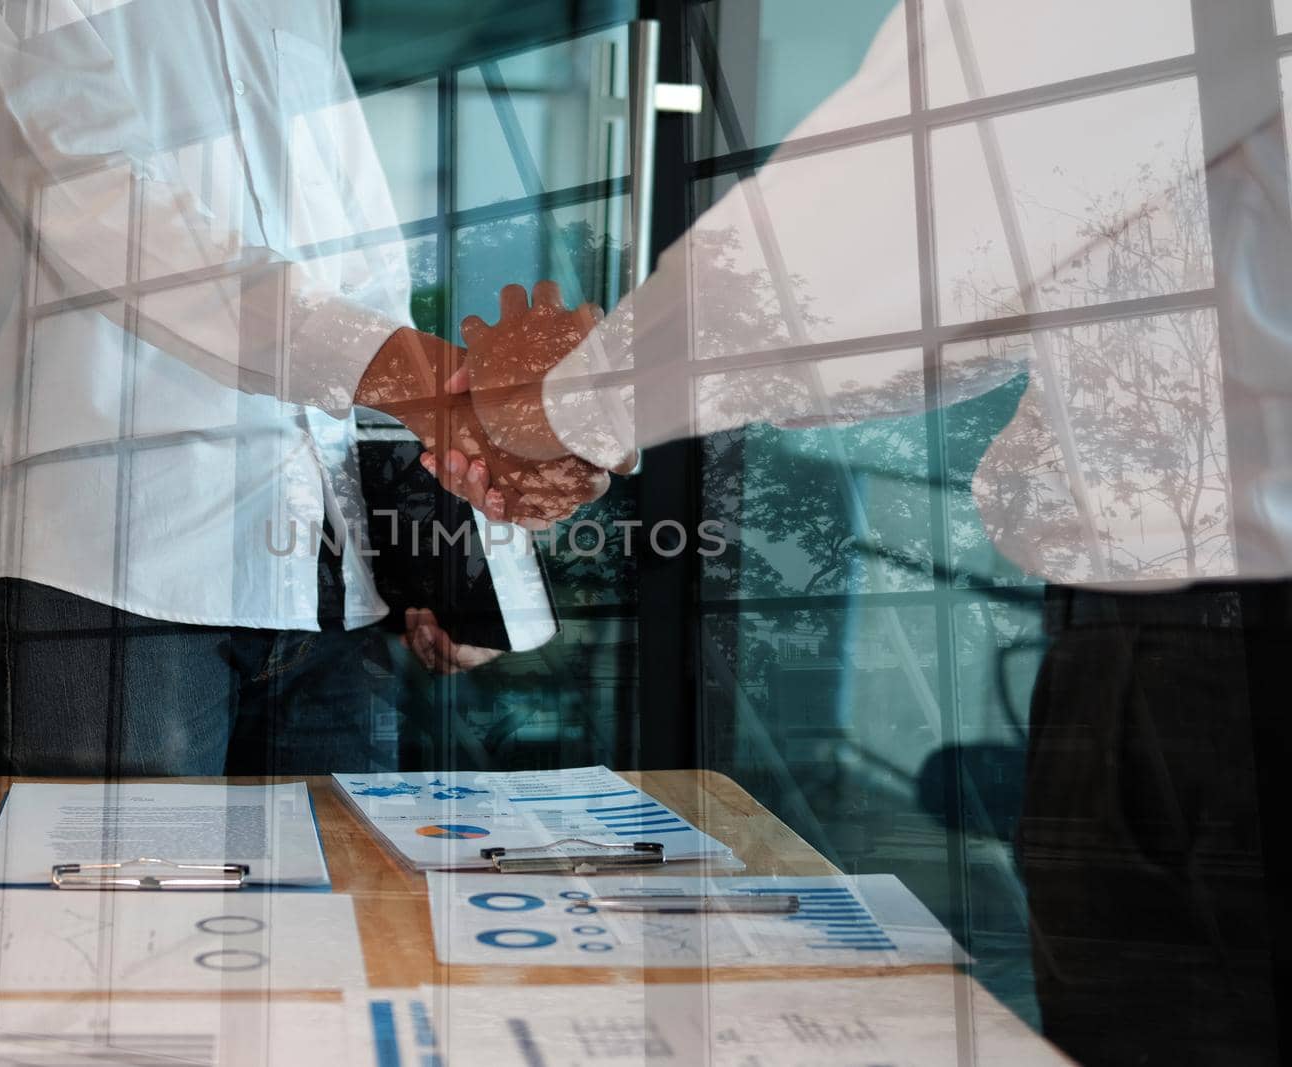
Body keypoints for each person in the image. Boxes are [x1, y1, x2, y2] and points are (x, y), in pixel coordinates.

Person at [440, 10, 1291, 1064]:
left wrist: (564, 414)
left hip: (1213, 657)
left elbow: (879, 231)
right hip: (1173, 642)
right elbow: (973, 299)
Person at [0, 0, 606, 777]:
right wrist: (435, 389)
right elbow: (104, 209)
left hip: (325, 589)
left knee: (346, 903)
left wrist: (454, 558)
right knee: (107, 906)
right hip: (105, 575)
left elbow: (361, 266)